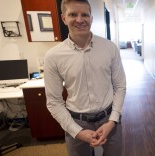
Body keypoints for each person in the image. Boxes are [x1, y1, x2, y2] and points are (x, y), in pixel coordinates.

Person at [44, 0, 126, 155]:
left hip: (110, 118)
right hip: (75, 123)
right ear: (64, 18)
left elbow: (120, 86)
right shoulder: (53, 56)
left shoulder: (109, 48)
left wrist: (112, 121)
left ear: (91, 18)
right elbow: (54, 102)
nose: (80, 20)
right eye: (73, 14)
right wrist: (78, 132)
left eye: (85, 15)